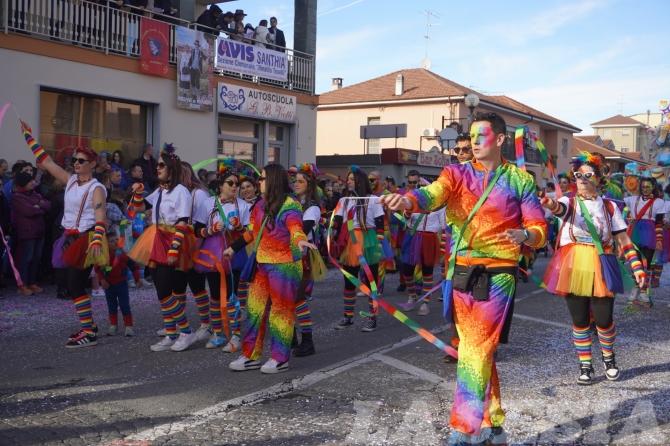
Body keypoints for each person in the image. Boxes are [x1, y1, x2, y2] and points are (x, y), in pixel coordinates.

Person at [382, 112, 548, 445]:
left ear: (500, 139)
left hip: (498, 272)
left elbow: (539, 228)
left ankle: (464, 429)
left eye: (480, 136)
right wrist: (408, 200)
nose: (473, 142)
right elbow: (431, 195)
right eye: (470, 137)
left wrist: (526, 236)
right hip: (460, 271)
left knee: (474, 346)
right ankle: (493, 425)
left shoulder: (519, 180)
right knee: (478, 348)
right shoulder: (455, 173)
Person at [541, 152, 645, 385]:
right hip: (573, 264)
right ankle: (585, 365)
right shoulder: (569, 202)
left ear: (598, 178)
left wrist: (637, 266)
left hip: (601, 263)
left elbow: (623, 239)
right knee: (580, 320)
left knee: (603, 319)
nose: (582, 179)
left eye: (588, 175)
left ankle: (609, 359)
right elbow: (559, 209)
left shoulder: (609, 207)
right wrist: (549, 203)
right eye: (578, 175)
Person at [20, 120, 109, 348]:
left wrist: (97, 240)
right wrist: (29, 137)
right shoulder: (70, 181)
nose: (76, 163)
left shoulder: (96, 188)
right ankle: (89, 325)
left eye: (81, 161)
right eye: (74, 160)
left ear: (92, 164)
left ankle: (89, 332)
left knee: (76, 284)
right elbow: (47, 162)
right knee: (71, 283)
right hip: (68, 238)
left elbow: (100, 215)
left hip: (86, 238)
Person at [226, 164, 316, 373]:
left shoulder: (290, 204)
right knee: (254, 311)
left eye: (263, 178)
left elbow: (295, 227)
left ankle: (279, 358)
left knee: (280, 311)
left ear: (274, 180)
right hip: (262, 264)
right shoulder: (260, 205)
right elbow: (251, 232)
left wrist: (300, 240)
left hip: (284, 266)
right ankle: (250, 355)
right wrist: (233, 248)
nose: (259, 182)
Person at [129, 144, 198, 352]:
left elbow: (183, 221)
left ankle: (186, 331)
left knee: (167, 289)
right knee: (161, 289)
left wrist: (174, 249)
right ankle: (171, 333)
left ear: (171, 169)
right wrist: (138, 192)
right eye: (157, 165)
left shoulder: (181, 192)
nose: (157, 168)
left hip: (173, 240)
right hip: (157, 238)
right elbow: (140, 208)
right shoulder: (161, 190)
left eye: (161, 165)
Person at [195, 161, 250, 352]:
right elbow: (196, 229)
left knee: (233, 295)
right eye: (230, 183)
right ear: (220, 186)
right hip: (213, 252)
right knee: (215, 294)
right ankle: (218, 333)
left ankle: (235, 335)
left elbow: (248, 233)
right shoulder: (207, 203)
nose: (235, 187)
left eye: (237, 184)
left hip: (234, 253)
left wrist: (239, 227)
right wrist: (210, 230)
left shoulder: (243, 205)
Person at [332, 166, 385, 332]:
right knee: (349, 280)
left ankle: (372, 317)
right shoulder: (344, 200)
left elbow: (380, 223)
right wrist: (331, 231)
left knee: (371, 281)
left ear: (360, 181)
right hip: (350, 240)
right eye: (348, 179)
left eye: (352, 179)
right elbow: (337, 222)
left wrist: (379, 243)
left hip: (368, 239)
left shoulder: (373, 200)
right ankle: (348, 316)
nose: (348, 182)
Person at [176, 162, 215, 347]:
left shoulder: (197, 194)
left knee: (196, 284)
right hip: (180, 243)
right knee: (178, 284)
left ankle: (206, 324)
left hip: (194, 243)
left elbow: (202, 222)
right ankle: (179, 322)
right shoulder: (177, 192)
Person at [292, 163, 322, 357]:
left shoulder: (312, 208)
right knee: (287, 297)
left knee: (298, 297)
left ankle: (307, 340)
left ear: (309, 185)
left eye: (300, 181)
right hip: (290, 253)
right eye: (295, 181)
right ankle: (291, 337)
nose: (296, 184)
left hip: (304, 255)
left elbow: (302, 229)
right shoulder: (293, 203)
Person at [624, 176, 665, 307]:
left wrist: (659, 239)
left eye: (648, 187)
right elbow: (622, 210)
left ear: (653, 187)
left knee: (645, 265)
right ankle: (636, 289)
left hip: (649, 235)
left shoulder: (659, 202)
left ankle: (643, 292)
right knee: (635, 264)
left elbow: (659, 223)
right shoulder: (632, 199)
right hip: (634, 233)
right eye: (643, 187)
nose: (645, 189)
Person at [11, 171, 51, 296]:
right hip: (27, 232)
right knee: (26, 258)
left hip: (39, 231)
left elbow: (48, 205)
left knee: (36, 258)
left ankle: (32, 282)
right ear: (23, 183)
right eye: (30, 181)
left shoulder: (35, 194)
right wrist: (38, 206)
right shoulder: (17, 197)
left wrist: (38, 206)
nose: (33, 183)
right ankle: (22, 284)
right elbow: (29, 211)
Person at [96, 226, 139, 337]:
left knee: (124, 305)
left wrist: (137, 279)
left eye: (116, 239)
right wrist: (102, 280)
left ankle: (128, 326)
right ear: (106, 244)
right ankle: (113, 325)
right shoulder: (103, 256)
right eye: (111, 241)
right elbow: (98, 269)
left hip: (121, 284)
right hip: (108, 285)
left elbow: (133, 266)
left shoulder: (122, 254)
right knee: (111, 306)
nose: (115, 242)